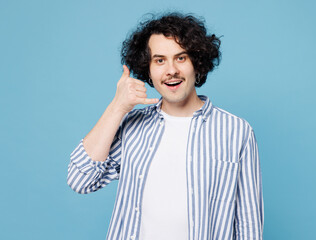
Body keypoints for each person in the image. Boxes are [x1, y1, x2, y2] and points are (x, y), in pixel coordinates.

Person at [67, 12, 263, 240]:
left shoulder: (237, 132)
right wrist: (117, 107)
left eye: (181, 58)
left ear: (196, 63)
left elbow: (248, 225)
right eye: (159, 60)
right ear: (148, 69)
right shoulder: (133, 127)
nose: (171, 70)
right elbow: (81, 180)